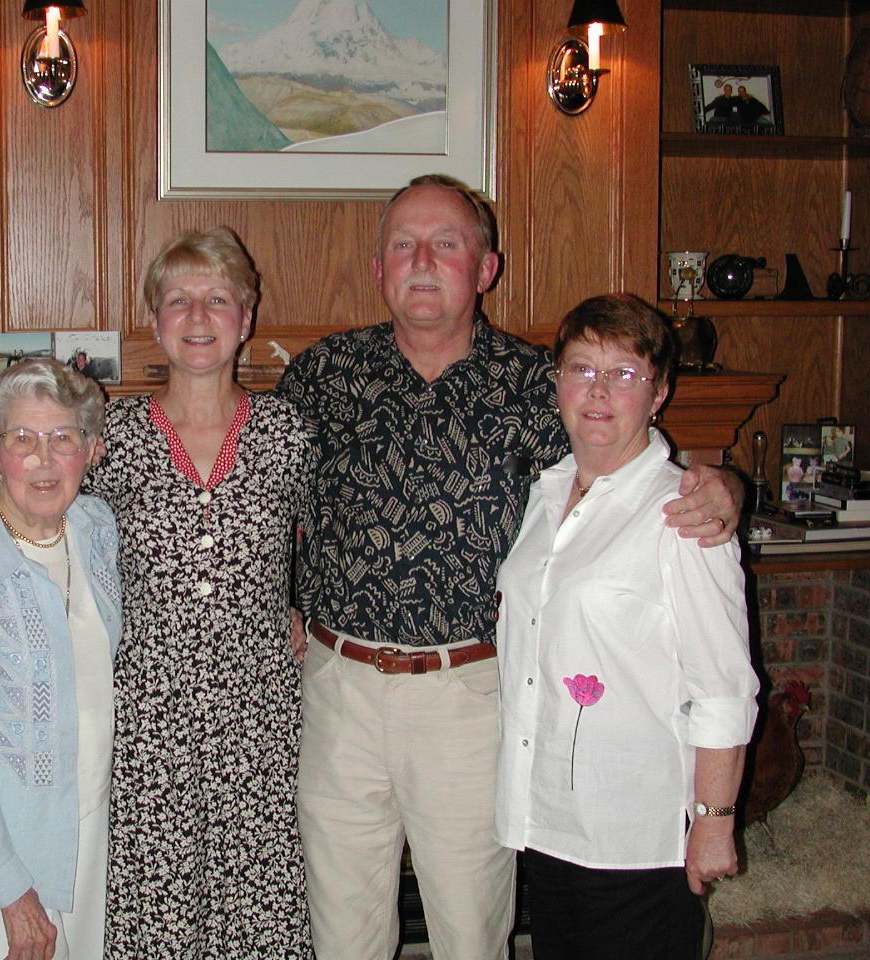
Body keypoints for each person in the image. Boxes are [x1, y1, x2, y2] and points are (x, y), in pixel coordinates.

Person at [273, 174, 743, 960]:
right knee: (341, 936)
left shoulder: (541, 384)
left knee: (469, 933)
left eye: (446, 244)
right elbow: (262, 499)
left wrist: (725, 486)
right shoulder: (321, 377)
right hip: (337, 690)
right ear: (379, 265)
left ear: (486, 268)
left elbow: (628, 480)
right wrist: (278, 601)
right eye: (403, 245)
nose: (422, 261)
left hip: (471, 696)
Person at [494, 293, 759, 959]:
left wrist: (715, 823)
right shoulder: (546, 495)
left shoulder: (684, 512)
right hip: (549, 822)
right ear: (557, 383)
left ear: (660, 392)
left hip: (638, 836)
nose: (600, 392)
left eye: (625, 374)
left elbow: (723, 687)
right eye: (582, 369)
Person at [83, 226, 315, 958]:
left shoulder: (287, 432)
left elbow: (333, 536)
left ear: (246, 319)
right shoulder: (111, 437)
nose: (197, 316)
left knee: (263, 907)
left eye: (217, 299)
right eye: (178, 300)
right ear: (155, 320)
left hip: (261, 717)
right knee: (157, 915)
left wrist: (303, 603)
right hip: (147, 718)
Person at [0, 358, 122, 960]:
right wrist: (12, 892)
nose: (43, 460)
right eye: (22, 439)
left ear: (91, 449)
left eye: (62, 438)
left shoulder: (100, 532)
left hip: (94, 839)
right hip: (3, 861)